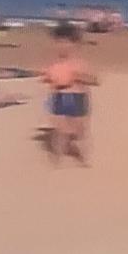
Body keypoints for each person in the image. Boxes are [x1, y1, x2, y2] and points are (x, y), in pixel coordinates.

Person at [42, 22, 99, 166]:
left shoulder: (80, 64)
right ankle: (57, 159)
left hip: (78, 96)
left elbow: (95, 80)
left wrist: (78, 77)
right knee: (60, 130)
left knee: (81, 130)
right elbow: (49, 81)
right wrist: (50, 80)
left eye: (66, 43)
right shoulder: (55, 65)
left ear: (75, 44)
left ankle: (85, 159)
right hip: (60, 97)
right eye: (58, 43)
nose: (62, 46)